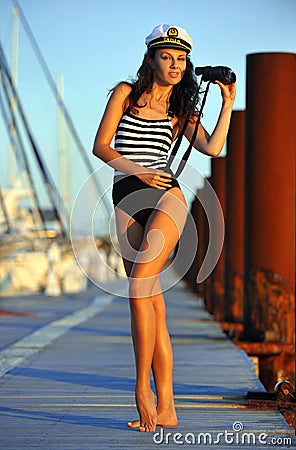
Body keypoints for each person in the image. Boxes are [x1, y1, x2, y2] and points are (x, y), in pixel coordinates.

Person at [93, 24, 236, 432]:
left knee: (139, 287)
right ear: (151, 59)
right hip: (127, 196)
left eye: (181, 58)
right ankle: (169, 408)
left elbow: (212, 147)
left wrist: (227, 103)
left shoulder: (181, 108)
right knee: (150, 302)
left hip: (166, 195)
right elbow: (101, 146)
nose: (175, 65)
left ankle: (143, 390)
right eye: (167, 56)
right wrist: (139, 171)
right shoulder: (126, 94)